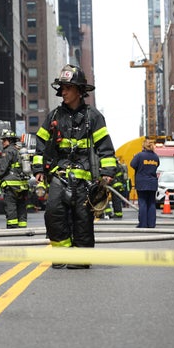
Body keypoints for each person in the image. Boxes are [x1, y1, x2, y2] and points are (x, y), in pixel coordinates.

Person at [32, 64, 117, 269]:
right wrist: (38, 170)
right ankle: (62, 253)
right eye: (62, 87)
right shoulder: (54, 117)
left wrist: (106, 174)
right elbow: (40, 145)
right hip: (59, 176)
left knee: (82, 219)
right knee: (53, 213)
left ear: (79, 90)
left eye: (68, 87)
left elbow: (105, 147)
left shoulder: (93, 117)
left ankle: (80, 257)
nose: (63, 92)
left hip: (84, 179)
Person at [0, 130, 30, 228]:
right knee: (21, 205)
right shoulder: (19, 150)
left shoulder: (7, 151)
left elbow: (3, 168)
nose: (3, 142)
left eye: (4, 140)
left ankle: (12, 225)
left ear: (9, 140)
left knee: (10, 205)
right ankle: (22, 224)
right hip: (22, 184)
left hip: (11, 184)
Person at [130, 139, 160, 228]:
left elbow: (132, 164)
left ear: (143, 146)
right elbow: (157, 165)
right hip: (152, 182)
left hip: (142, 182)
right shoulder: (155, 157)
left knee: (142, 203)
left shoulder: (139, 155)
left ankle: (143, 224)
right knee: (151, 203)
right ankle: (151, 224)